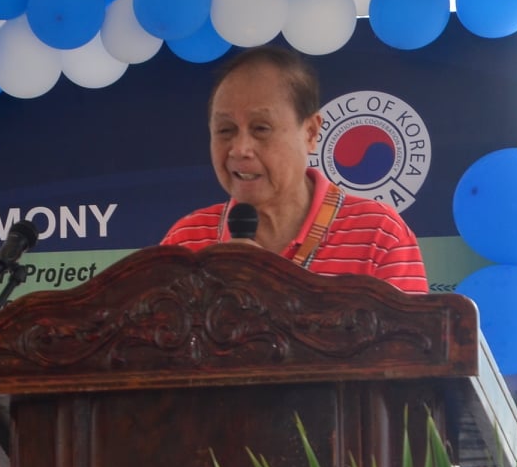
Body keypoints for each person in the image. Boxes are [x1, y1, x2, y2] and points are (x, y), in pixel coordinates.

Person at [162, 46, 428, 293]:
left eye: (260, 129)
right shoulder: (185, 241)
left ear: (310, 133)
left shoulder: (379, 236)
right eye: (225, 130)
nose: (240, 148)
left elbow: (410, 344)